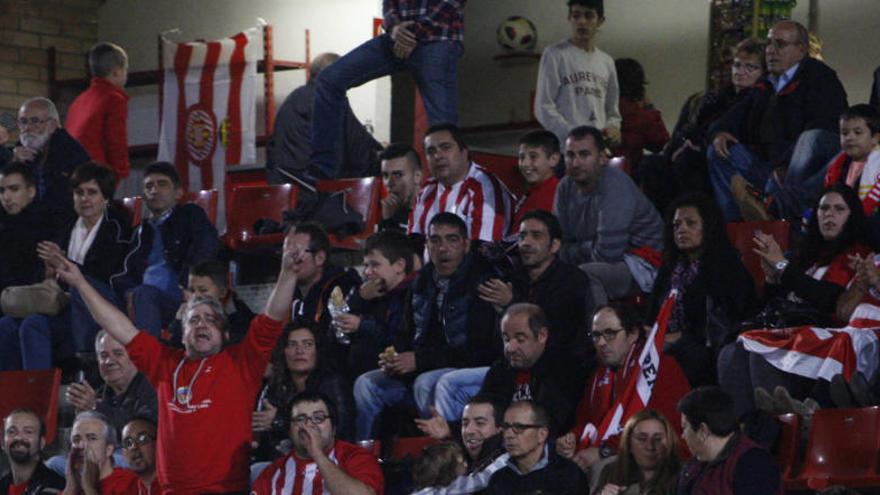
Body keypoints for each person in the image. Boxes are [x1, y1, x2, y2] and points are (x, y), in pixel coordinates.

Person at [50, 236, 301, 493]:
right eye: (193, 320)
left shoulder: (241, 363)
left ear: (225, 334)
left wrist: (287, 274)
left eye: (211, 320)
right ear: (182, 334)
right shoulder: (165, 364)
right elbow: (117, 326)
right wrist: (80, 283)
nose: (201, 324)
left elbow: (272, 317)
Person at [721, 185, 875, 416]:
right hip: (787, 331)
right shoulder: (807, 255)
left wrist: (783, 267)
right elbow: (777, 304)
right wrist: (773, 280)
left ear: (851, 216)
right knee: (732, 353)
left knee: (761, 355)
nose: (829, 214)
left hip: (821, 338)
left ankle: (781, 432)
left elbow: (827, 300)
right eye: (823, 208)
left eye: (838, 209)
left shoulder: (856, 255)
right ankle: (747, 429)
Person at [354, 213, 499, 437]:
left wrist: (419, 360)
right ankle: (367, 455)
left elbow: (480, 350)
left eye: (452, 240)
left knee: (425, 383)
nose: (443, 248)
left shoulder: (482, 281)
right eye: (435, 240)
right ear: (427, 244)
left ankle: (439, 455)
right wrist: (394, 358)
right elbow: (406, 334)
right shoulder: (419, 282)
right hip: (423, 366)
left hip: (463, 371)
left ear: (466, 245)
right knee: (366, 384)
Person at [309, 0, 465, 180]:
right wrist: (394, 28)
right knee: (329, 79)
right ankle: (322, 173)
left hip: (438, 37)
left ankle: (455, 187)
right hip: (396, 36)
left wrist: (414, 33)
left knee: (443, 124)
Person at [709, 20, 848, 222]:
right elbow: (732, 117)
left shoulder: (820, 77)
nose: (771, 51)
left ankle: (781, 205)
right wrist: (720, 132)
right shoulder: (766, 83)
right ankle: (737, 223)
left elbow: (826, 127)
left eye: (780, 44)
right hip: (767, 167)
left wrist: (783, 166)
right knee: (718, 150)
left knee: (809, 139)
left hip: (800, 169)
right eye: (769, 44)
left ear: (801, 50)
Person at [0, 162, 131, 370]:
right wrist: (49, 271)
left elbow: (110, 275)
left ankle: (85, 362)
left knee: (82, 285)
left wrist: (66, 265)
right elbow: (45, 276)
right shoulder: (66, 226)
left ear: (105, 198)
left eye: (92, 193)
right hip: (63, 306)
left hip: (101, 306)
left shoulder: (117, 228)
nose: (84, 199)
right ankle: (28, 394)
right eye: (79, 192)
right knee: (20, 325)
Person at [559, 304, 690, 474]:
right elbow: (587, 421)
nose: (601, 342)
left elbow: (660, 431)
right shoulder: (599, 375)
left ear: (633, 334)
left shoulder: (660, 368)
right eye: (596, 335)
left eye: (610, 334)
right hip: (616, 450)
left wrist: (604, 451)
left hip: (658, 456)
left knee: (602, 469)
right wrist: (572, 438)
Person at [642, 38, 766, 213]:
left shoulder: (758, 99)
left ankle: (698, 222)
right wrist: (679, 145)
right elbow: (691, 128)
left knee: (688, 162)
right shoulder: (715, 98)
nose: (740, 71)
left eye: (750, 67)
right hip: (694, 150)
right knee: (652, 165)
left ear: (762, 71)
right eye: (737, 65)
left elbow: (741, 135)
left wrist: (698, 145)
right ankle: (668, 225)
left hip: (723, 159)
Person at [647, 194, 757, 387]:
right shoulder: (670, 268)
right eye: (677, 225)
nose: (682, 229)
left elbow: (725, 322)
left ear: (708, 227)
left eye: (690, 223)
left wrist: (677, 337)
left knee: (685, 355)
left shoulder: (726, 267)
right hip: (664, 339)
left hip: (705, 347)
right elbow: (652, 311)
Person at [554, 125, 663, 307]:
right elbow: (557, 245)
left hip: (645, 263)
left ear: (603, 158)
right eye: (570, 155)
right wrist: (588, 247)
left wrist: (574, 250)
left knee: (585, 275)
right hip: (606, 258)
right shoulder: (564, 187)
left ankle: (600, 333)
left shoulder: (615, 185)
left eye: (584, 154)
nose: (576, 163)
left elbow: (607, 254)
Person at [109, 161, 219, 340]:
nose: (154, 190)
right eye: (149, 186)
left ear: (178, 192)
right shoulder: (138, 232)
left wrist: (187, 284)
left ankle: (147, 361)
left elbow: (206, 245)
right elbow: (122, 271)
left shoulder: (190, 215)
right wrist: (128, 291)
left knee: (143, 294)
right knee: (92, 293)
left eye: (162, 184)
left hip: (179, 296)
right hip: (141, 299)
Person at [479, 210, 591, 360]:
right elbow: (495, 344)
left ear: (555, 245)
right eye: (522, 236)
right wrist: (500, 314)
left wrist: (511, 304)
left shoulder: (572, 280)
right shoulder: (513, 279)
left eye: (536, 236)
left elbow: (556, 336)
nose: (525, 243)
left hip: (558, 368)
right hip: (511, 364)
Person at [266, 52, 381, 186]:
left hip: (284, 187)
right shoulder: (328, 99)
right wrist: (381, 154)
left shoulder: (294, 98)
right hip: (314, 190)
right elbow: (358, 147)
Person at [252, 319, 356, 461]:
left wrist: (279, 421)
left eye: (307, 344)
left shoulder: (333, 385)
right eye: (292, 345)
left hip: (327, 463)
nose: (299, 351)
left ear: (317, 351)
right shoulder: (277, 386)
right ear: (284, 352)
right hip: (283, 462)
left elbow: (342, 434)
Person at [478, 303, 585, 435]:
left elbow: (557, 425)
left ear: (542, 335)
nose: (510, 348)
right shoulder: (500, 370)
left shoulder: (565, 372)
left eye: (520, 339)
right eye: (506, 339)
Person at [251, 392, 384, 495]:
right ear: (289, 431)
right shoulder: (272, 473)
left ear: (334, 428)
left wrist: (317, 453)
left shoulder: (356, 458)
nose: (309, 425)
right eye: (300, 419)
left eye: (318, 418)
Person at [534, 0, 621, 149]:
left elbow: (612, 112)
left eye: (588, 16)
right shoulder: (555, 54)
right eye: (576, 16)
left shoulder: (607, 62)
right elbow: (543, 107)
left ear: (600, 21)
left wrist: (613, 128)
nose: (582, 21)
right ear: (569, 18)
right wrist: (573, 135)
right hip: (566, 151)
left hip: (598, 152)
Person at [409, 124, 514, 242]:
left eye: (446, 147)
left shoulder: (484, 188)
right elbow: (414, 244)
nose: (437, 156)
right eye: (431, 151)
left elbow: (482, 253)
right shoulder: (426, 190)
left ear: (464, 152)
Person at [336, 230, 417, 379]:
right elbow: (336, 333)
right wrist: (359, 298)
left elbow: (399, 342)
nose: (367, 272)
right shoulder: (368, 293)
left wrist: (362, 325)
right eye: (366, 265)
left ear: (399, 265)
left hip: (399, 377)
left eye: (375, 265)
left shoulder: (415, 295)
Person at [676, 387, 781, 495]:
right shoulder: (693, 467)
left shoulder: (753, 465)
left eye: (685, 427)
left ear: (703, 430)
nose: (683, 436)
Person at [485, 401, 587, 495]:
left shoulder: (568, 475)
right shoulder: (498, 480)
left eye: (519, 427)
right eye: (506, 427)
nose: (509, 434)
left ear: (542, 434)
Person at [412, 395, 508, 495]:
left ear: (500, 429)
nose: (469, 430)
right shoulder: (460, 459)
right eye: (465, 423)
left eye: (480, 423)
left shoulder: (506, 465)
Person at [12, 97, 90, 217]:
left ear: (53, 125)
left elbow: (64, 201)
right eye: (23, 121)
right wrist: (14, 163)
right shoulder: (18, 151)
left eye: (35, 121)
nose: (27, 128)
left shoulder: (70, 152)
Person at [65, 42, 131, 181]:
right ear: (117, 72)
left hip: (73, 176)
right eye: (126, 69)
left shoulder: (78, 102)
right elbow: (116, 142)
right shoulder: (114, 99)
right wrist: (119, 174)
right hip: (97, 177)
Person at [0, 162, 56, 320]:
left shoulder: (45, 225)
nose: (6, 197)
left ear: (31, 191)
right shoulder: (6, 224)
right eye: (2, 190)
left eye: (14, 189)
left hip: (25, 304)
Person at [285, 222, 361, 333]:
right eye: (285, 253)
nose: (288, 260)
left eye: (296, 253)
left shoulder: (342, 287)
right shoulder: (286, 293)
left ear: (319, 258)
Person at [821, 104, 880, 237]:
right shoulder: (838, 166)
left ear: (875, 138)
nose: (849, 137)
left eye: (857, 132)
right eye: (844, 133)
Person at [166, 259, 255, 347]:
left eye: (203, 290)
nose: (196, 296)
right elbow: (174, 352)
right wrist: (179, 323)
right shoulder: (185, 315)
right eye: (192, 290)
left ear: (222, 292)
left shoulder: (242, 321)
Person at [594, 409, 682, 495]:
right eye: (642, 439)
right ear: (629, 443)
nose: (650, 446)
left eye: (658, 439)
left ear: (669, 443)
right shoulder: (611, 472)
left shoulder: (682, 476)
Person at [611, 57, 669, 175]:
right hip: (629, 177)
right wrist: (650, 107)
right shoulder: (639, 115)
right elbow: (662, 142)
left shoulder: (602, 108)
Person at [63, 411, 138, 495]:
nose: (81, 445)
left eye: (91, 438)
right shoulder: (73, 487)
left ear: (109, 449)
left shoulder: (130, 483)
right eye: (76, 440)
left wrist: (89, 488)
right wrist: (70, 489)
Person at [0, 409, 65, 494]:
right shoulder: (2, 485)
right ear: (2, 442)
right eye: (12, 431)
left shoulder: (56, 487)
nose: (19, 437)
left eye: (28, 432)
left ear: (41, 443)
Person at [510, 130, 561, 233]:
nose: (525, 164)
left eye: (533, 157)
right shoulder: (531, 192)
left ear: (553, 159)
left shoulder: (558, 196)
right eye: (521, 157)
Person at [378, 143, 423, 232]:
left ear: (417, 176)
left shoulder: (430, 210)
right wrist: (387, 220)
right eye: (385, 175)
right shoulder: (387, 210)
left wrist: (388, 222)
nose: (389, 183)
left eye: (398, 175)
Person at [119, 418, 159, 494]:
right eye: (128, 443)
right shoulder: (126, 489)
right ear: (123, 454)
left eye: (142, 439)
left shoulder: (176, 485)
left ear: (158, 444)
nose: (134, 447)